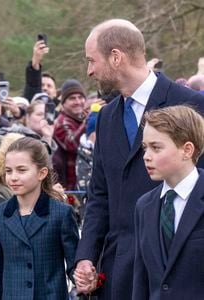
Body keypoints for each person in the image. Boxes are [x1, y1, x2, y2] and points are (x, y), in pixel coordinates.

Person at [74, 19, 204, 300]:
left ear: (116, 57)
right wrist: (86, 256)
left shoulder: (192, 105)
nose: (90, 70)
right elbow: (99, 196)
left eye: (91, 61)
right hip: (119, 272)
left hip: (178, 269)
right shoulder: (106, 118)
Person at [0, 137, 79, 300]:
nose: (13, 177)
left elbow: (74, 266)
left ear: (42, 173)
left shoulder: (61, 214)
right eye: (9, 171)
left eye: (21, 170)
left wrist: (86, 282)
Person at [133, 105, 204, 300]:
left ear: (187, 150)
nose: (146, 156)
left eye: (156, 147)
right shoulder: (144, 206)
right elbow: (141, 280)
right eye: (145, 147)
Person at [53, 79, 86, 190]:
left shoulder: (81, 119)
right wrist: (88, 122)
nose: (78, 102)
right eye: (72, 98)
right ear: (63, 103)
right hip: (70, 188)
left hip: (84, 182)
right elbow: (72, 144)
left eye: (80, 97)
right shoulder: (61, 122)